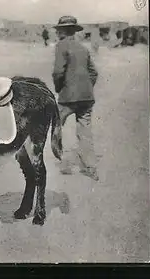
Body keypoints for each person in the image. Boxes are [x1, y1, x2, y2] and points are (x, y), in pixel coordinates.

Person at [52, 15, 99, 181]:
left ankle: (64, 164)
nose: (57, 33)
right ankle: (90, 167)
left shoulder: (61, 46)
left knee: (56, 127)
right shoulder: (82, 48)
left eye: (59, 30)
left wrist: (59, 88)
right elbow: (94, 72)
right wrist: (85, 87)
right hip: (86, 97)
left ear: (64, 31)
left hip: (67, 97)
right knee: (85, 132)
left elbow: (58, 72)